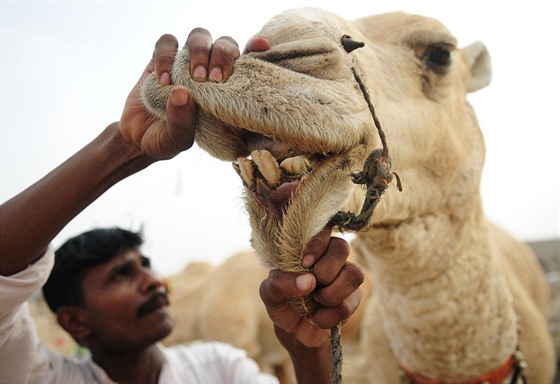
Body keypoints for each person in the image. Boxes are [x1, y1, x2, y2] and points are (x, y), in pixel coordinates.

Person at [0, 27, 364, 384]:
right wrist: (122, 147)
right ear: (74, 322)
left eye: (144, 266)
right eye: (120, 276)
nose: (152, 282)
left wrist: (308, 354)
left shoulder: (219, 368)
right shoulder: (42, 376)